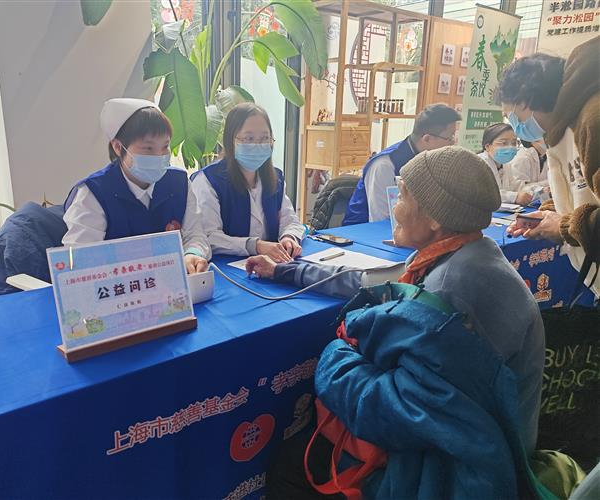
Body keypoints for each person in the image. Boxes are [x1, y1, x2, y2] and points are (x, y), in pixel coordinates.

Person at [249, 148, 544, 470]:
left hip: (458, 472)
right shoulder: (466, 253)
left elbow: (396, 416)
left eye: (402, 197)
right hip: (475, 445)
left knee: (289, 464)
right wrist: (284, 270)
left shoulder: (448, 293)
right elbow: (368, 283)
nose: (395, 208)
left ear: (435, 217)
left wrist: (334, 359)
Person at [498, 36, 599, 297]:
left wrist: (564, 226)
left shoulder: (592, 120)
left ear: (524, 101)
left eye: (510, 116)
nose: (514, 126)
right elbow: (586, 191)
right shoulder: (561, 128)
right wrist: (551, 214)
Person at [62, 98, 210, 274]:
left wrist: (192, 253)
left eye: (165, 147)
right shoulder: (94, 192)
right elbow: (80, 257)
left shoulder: (179, 182)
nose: (159, 156)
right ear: (118, 147)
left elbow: (195, 234)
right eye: (148, 149)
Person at [191, 102, 304, 262]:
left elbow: (290, 220)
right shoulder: (208, 180)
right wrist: (254, 245)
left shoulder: (275, 178)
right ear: (231, 140)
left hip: (270, 264)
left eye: (265, 138)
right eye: (249, 138)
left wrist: (289, 237)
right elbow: (208, 236)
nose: (257, 145)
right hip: (225, 266)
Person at [342, 103, 461, 225]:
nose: (453, 144)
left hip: (409, 228)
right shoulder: (385, 165)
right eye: (450, 138)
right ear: (427, 139)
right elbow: (381, 219)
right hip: (364, 230)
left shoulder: (430, 160)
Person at [478, 123, 532, 205]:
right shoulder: (479, 163)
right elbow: (484, 193)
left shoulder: (505, 164)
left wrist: (534, 191)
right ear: (487, 146)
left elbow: (514, 186)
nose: (510, 147)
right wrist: (514, 197)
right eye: (504, 143)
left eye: (513, 143)